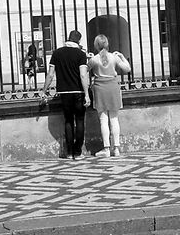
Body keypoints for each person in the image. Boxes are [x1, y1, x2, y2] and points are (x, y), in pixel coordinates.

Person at [88, 35, 133, 158]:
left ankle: (106, 148)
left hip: (100, 88)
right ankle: (116, 148)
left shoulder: (95, 59)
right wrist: (122, 57)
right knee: (114, 119)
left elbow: (85, 69)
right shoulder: (114, 57)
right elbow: (127, 69)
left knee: (103, 120)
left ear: (96, 45)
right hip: (113, 86)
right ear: (107, 44)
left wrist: (89, 58)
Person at [49, 31, 89, 159]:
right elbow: (83, 75)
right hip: (78, 91)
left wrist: (44, 90)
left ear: (68, 39)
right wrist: (87, 94)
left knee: (68, 121)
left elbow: (50, 74)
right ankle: (78, 152)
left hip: (64, 92)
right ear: (79, 41)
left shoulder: (57, 53)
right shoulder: (81, 54)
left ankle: (69, 151)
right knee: (80, 120)